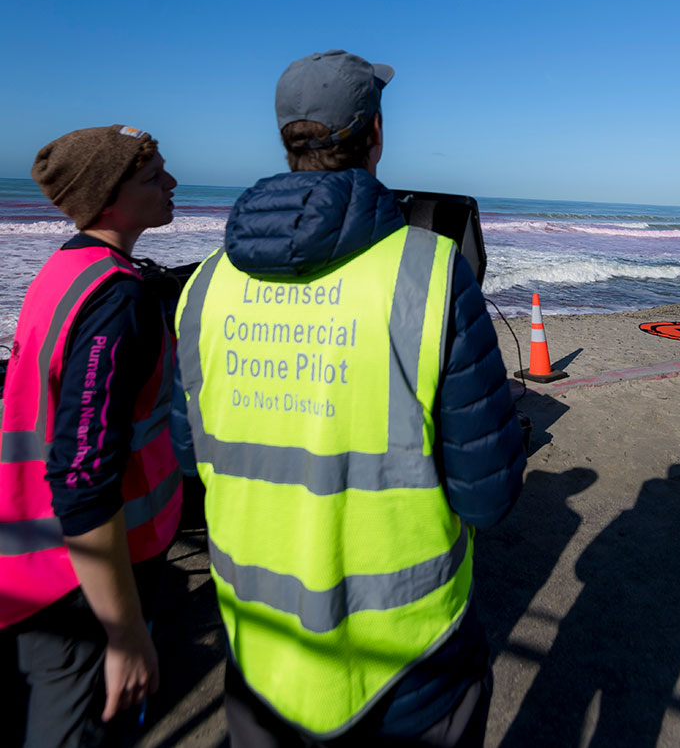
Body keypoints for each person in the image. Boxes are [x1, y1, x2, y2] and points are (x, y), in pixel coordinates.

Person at [174, 50, 526, 746]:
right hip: (411, 659)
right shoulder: (429, 276)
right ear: (376, 134)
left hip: (263, 651)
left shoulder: (203, 289)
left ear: (288, 140)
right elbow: (488, 494)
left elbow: (192, 458)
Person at [0, 125, 185, 748]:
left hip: (35, 545)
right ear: (107, 198)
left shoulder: (65, 268)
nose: (171, 182)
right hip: (83, 574)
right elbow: (83, 475)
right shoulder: (116, 299)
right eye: (152, 174)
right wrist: (127, 634)